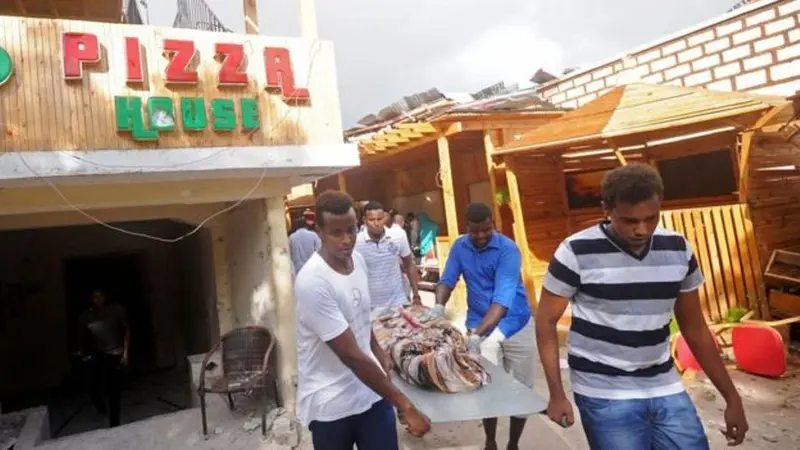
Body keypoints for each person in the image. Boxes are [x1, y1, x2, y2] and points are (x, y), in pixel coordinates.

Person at [536, 163, 748, 449]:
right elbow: (546, 322)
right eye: (629, 221)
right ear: (606, 210)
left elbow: (695, 328)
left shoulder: (678, 249)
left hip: (664, 382)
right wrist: (556, 394)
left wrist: (732, 398)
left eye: (651, 218)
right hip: (602, 390)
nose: (642, 229)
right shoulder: (575, 252)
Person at [294, 190, 431, 450]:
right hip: (330, 404)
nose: (346, 240)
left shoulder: (357, 259)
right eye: (336, 232)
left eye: (350, 230)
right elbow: (351, 355)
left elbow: (360, 315)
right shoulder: (312, 281)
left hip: (370, 391)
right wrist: (405, 405)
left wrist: (380, 354)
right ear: (319, 233)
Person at [430, 202, 535, 450]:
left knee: (521, 388)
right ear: (467, 227)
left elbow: (502, 299)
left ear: (493, 224)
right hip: (478, 323)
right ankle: (490, 442)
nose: (480, 236)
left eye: (485, 230)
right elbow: (447, 279)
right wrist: (438, 306)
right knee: (486, 387)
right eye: (474, 231)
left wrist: (476, 336)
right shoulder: (460, 246)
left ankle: (513, 444)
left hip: (515, 324)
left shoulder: (508, 250)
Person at [355, 201, 422, 311]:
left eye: (379, 219)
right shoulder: (357, 243)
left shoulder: (398, 236)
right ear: (364, 221)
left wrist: (416, 295)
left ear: (385, 218)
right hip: (371, 306)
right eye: (372, 220)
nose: (376, 223)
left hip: (399, 302)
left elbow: (409, 265)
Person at [77, 289, 130, 428]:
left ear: (105, 298)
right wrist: (83, 353)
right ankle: (102, 410)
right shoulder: (86, 316)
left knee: (114, 390)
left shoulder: (116, 310)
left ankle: (114, 423)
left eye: (100, 297)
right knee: (94, 386)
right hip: (99, 354)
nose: (98, 300)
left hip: (115, 352)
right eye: (95, 297)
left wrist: (125, 353)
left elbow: (126, 330)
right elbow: (84, 337)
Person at [289, 209, 321, 276]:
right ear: (306, 225)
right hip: (312, 267)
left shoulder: (291, 237)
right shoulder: (313, 235)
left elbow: (289, 253)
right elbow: (320, 249)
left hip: (298, 269)